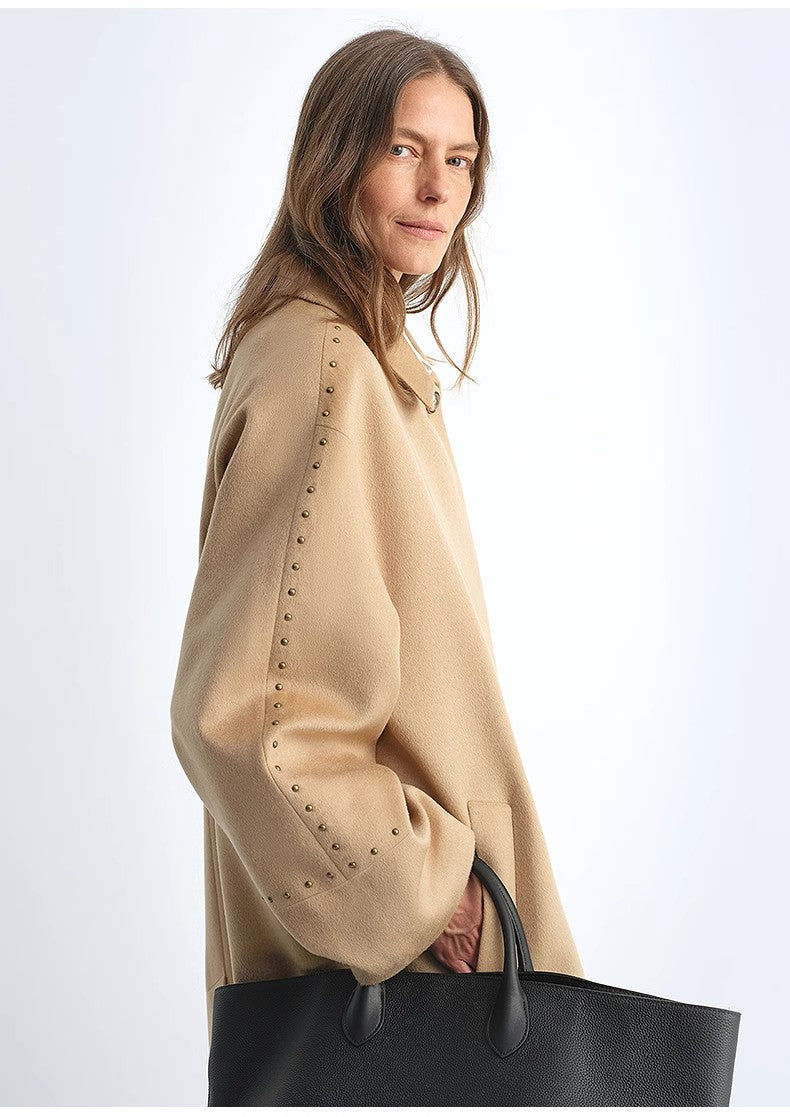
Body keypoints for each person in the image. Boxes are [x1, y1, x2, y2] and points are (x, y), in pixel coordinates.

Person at [169, 26, 584, 1043]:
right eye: (404, 149)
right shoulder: (323, 368)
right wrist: (424, 898)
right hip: (395, 971)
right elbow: (251, 722)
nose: (439, 188)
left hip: (403, 971)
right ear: (335, 159)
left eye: (461, 159)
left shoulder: (362, 359)